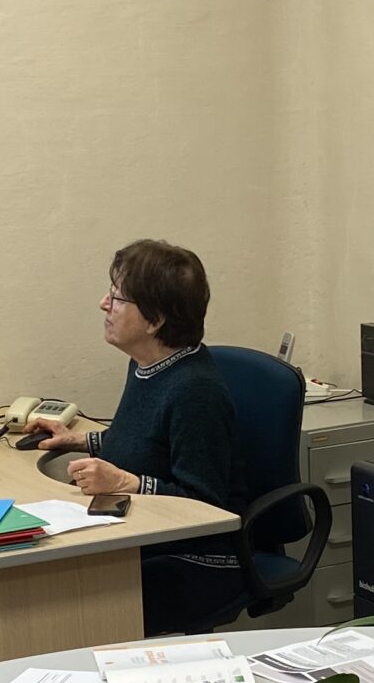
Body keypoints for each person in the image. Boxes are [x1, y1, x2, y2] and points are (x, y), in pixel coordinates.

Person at [19, 239, 243, 632]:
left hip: (194, 561)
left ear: (154, 320)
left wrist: (126, 482)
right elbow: (148, 443)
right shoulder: (147, 364)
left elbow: (205, 505)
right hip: (141, 537)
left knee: (50, 591)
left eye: (118, 298)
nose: (104, 304)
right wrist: (78, 440)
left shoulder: (195, 390)